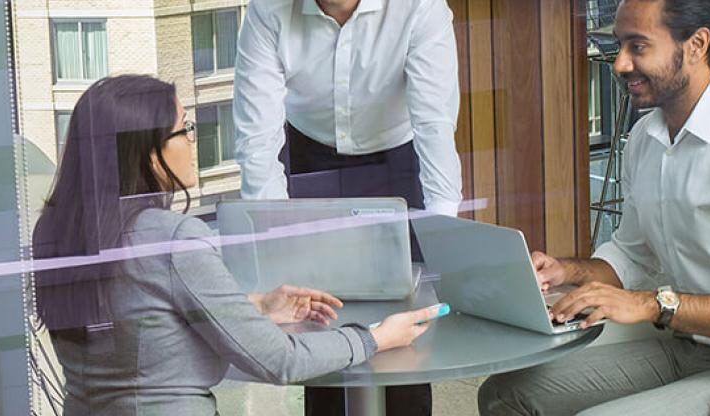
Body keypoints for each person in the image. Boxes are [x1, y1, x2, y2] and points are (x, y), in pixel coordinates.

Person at [477, 0, 710, 414]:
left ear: (696, 44)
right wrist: (567, 271)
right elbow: (635, 254)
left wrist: (652, 304)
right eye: (620, 46)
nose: (620, 64)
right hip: (690, 346)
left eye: (638, 46)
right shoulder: (647, 138)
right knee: (505, 393)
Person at [32, 74, 441, 415]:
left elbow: (139, 323)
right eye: (184, 129)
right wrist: (374, 337)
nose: (194, 140)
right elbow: (280, 361)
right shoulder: (173, 239)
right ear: (151, 157)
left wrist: (252, 307)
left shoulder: (57, 233)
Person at [233, 0, 463, 217]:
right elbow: (257, 141)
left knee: (410, 254)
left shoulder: (420, 5)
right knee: (303, 253)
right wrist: (270, 233)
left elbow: (434, 123)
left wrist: (442, 228)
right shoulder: (266, 8)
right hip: (307, 150)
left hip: (398, 154)